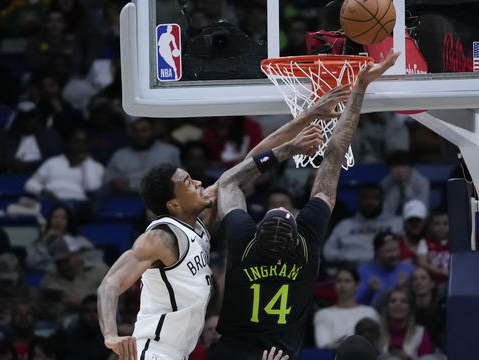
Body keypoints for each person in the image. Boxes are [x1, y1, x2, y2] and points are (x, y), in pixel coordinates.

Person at [97, 83, 350, 360]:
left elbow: (247, 165)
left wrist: (310, 116)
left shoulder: (199, 220)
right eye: (187, 183)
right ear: (174, 204)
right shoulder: (161, 238)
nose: (198, 182)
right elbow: (110, 284)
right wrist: (110, 333)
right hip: (153, 352)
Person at [208, 50, 400, 360]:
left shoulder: (245, 239)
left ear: (255, 232)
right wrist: (358, 89)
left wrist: (286, 151)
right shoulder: (301, 242)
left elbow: (228, 182)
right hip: (279, 355)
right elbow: (334, 156)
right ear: (296, 234)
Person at [324, 182, 403, 267]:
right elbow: (328, 252)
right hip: (353, 273)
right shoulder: (345, 225)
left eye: (374, 198)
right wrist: (348, 257)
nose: (369, 202)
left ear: (382, 200)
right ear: (359, 200)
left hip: (389, 270)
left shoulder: (397, 223)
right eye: (365, 198)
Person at [104, 118, 181, 195]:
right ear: (131, 133)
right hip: (128, 198)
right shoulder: (119, 156)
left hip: (162, 198)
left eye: (145, 130)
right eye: (136, 131)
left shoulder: (170, 151)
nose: (140, 135)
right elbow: (107, 179)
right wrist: (115, 182)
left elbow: (182, 177)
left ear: (153, 131)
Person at [24, 127, 104, 202]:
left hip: (77, 206)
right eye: (76, 142)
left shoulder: (97, 167)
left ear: (89, 145)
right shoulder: (52, 162)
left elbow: (92, 189)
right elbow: (30, 184)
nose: (80, 146)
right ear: (68, 143)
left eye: (84, 143)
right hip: (50, 203)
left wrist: (87, 163)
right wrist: (43, 191)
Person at [314, 267, 380, 349]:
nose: (343, 285)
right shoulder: (323, 314)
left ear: (357, 285)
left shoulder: (370, 312)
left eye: (347, 281)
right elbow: (323, 345)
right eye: (339, 281)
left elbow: (377, 343)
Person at [355, 231, 415, 307]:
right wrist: (369, 292)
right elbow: (354, 303)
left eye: (396, 249)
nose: (394, 254)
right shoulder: (362, 272)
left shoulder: (410, 271)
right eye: (388, 251)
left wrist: (406, 287)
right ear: (376, 252)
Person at [378, 286, 434, 359]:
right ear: (387, 307)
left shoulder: (421, 333)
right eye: (393, 301)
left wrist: (407, 358)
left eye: (403, 301)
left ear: (410, 308)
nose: (397, 305)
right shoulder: (377, 333)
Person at [380, 151, 430, 217]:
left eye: (403, 165)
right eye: (395, 166)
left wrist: (406, 188)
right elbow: (383, 208)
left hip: (415, 218)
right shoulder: (386, 182)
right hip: (391, 220)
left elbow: (422, 206)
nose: (399, 170)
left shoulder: (422, 182)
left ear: (411, 167)